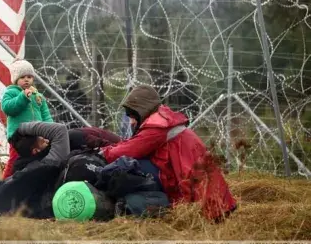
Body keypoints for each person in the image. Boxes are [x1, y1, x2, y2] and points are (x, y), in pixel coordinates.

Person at [98, 85, 237, 221]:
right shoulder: (162, 120)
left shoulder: (157, 127)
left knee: (129, 167)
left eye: (133, 115)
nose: (132, 121)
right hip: (207, 193)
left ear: (143, 110)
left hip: (202, 197)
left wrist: (102, 153)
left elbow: (129, 150)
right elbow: (133, 144)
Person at [0, 58, 54, 179]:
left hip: (36, 136)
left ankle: (25, 181)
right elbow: (8, 108)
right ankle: (4, 183)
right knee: (15, 160)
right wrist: (22, 97)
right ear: (16, 79)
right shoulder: (11, 92)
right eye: (22, 77)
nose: (26, 79)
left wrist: (49, 130)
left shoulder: (38, 96)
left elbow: (45, 114)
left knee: (33, 160)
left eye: (29, 77)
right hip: (19, 137)